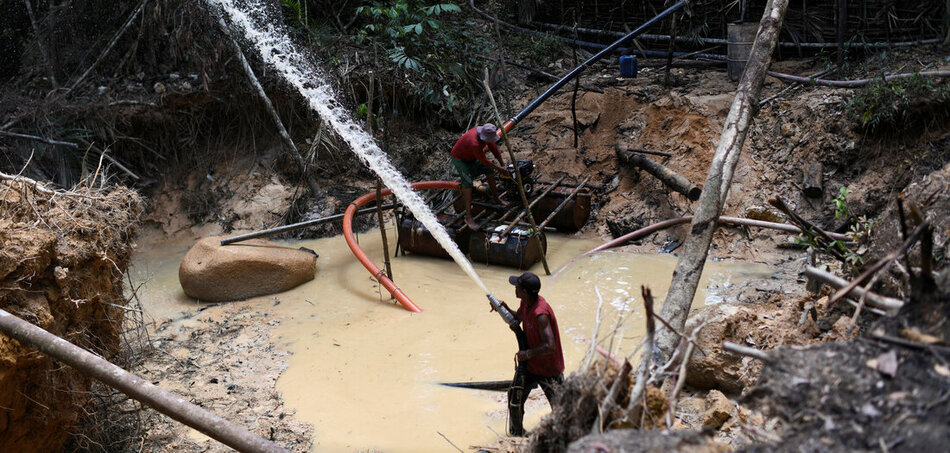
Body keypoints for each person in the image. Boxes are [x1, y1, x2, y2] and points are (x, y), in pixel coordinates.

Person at [491, 272, 565, 437]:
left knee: (561, 409)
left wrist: (528, 353)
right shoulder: (526, 303)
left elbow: (550, 346)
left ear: (524, 291)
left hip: (549, 369)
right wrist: (503, 308)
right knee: (514, 398)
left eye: (517, 286)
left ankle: (561, 439)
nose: (514, 288)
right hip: (531, 365)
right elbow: (518, 317)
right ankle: (517, 434)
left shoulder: (541, 314)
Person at [450, 123, 508, 230]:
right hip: (460, 159)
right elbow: (484, 160)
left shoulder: (487, 135)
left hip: (471, 157)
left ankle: (496, 198)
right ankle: (468, 217)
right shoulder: (475, 143)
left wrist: (503, 165)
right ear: (483, 137)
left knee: (489, 171)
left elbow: (495, 149)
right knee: (468, 183)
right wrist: (500, 169)